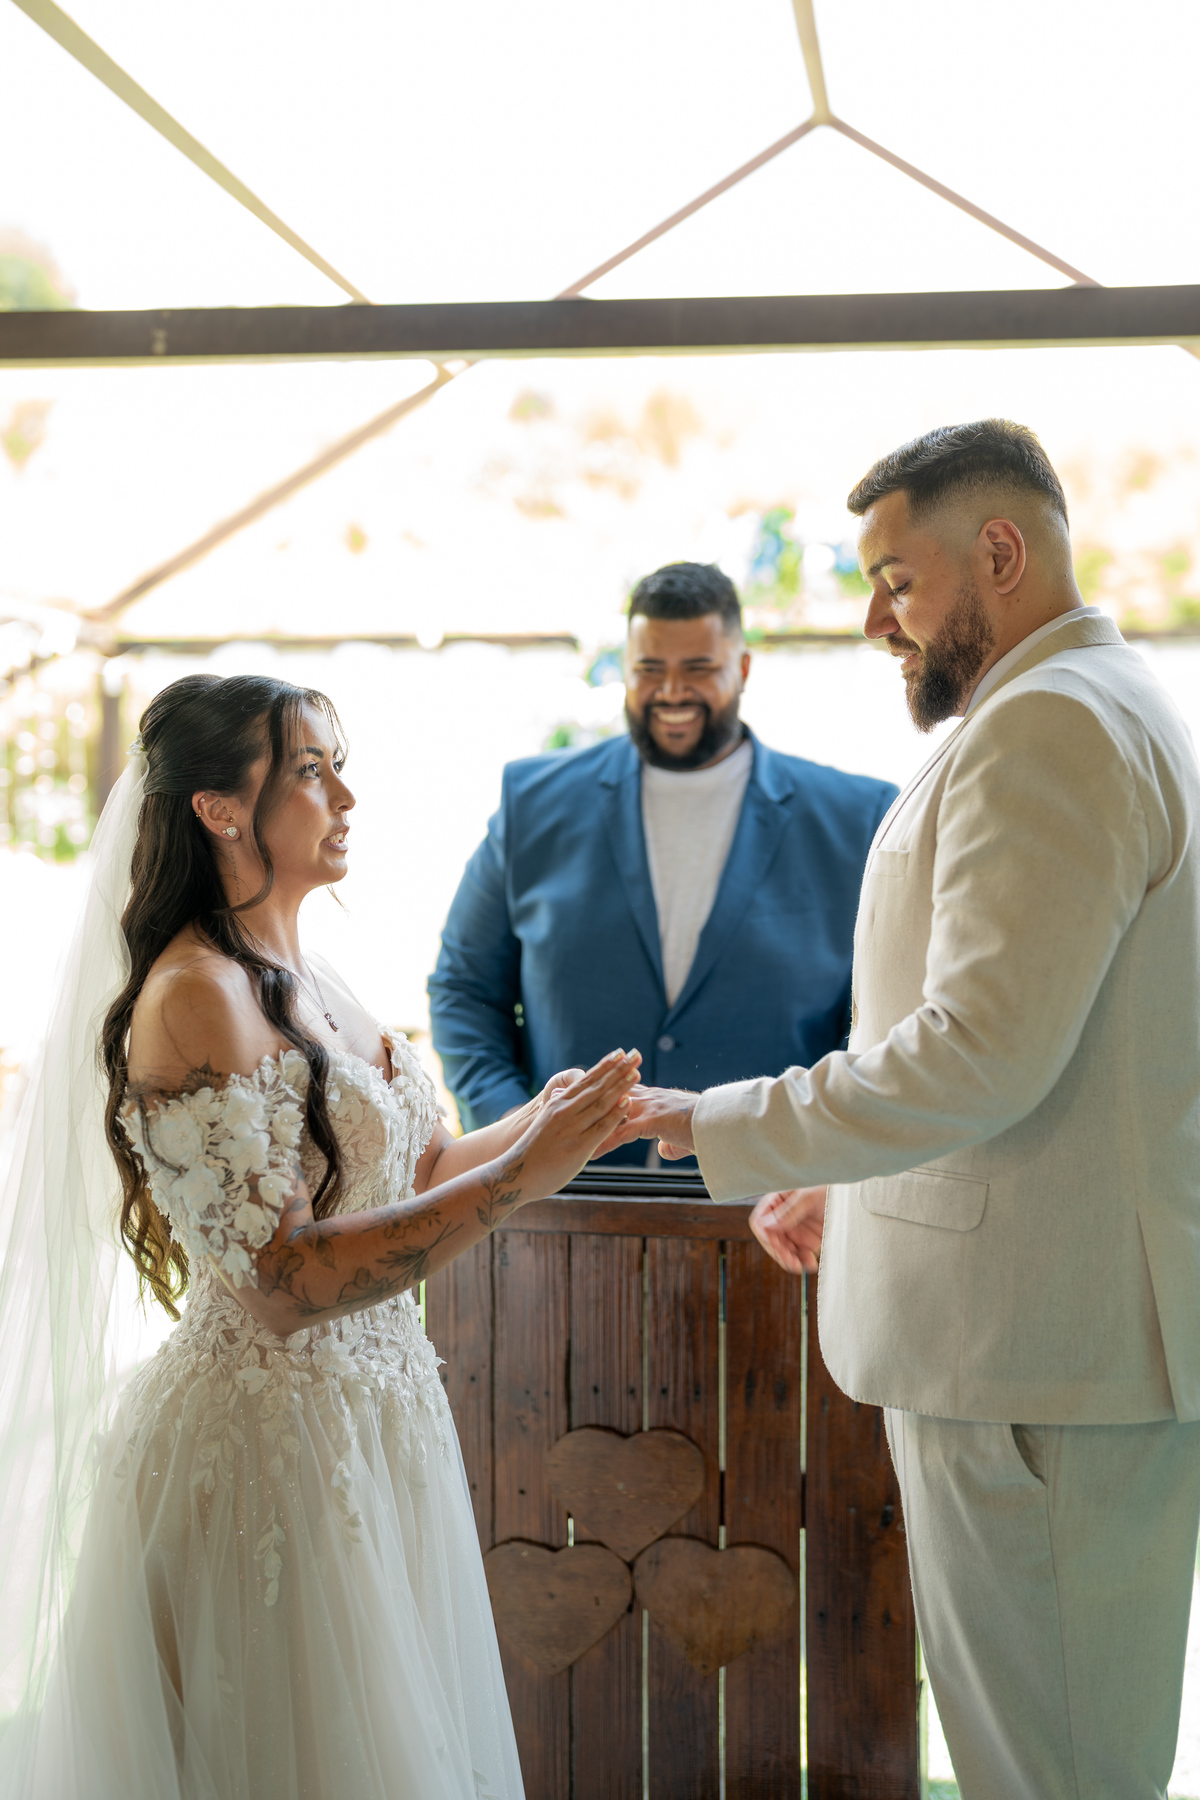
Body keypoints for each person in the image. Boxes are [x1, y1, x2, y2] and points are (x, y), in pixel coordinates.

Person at [618, 421, 1200, 1800]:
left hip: (1034, 1362)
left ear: (1000, 552)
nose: (878, 621)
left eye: (897, 581)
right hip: (1036, 1343)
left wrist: (716, 1122)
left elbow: (980, 1050)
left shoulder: (1053, 724)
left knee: (1053, 1771)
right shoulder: (1083, 703)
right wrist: (855, 1178)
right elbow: (1066, 1045)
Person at [0, 672, 640, 1800]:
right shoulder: (194, 996)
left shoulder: (314, 973)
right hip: (267, 1448)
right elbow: (283, 1282)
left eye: (339, 767)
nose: (345, 796)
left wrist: (550, 1124)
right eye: (309, 770)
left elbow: (415, 1172)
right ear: (219, 808)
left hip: (377, 1420)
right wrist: (519, 1182)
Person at [428, 561, 896, 1159]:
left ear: (743, 669)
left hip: (767, 1196)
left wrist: (825, 1166)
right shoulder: (533, 803)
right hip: (565, 1196)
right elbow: (463, 990)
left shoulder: (857, 819)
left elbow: (880, 1022)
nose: (672, 691)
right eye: (650, 669)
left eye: (698, 669)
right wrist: (512, 1133)